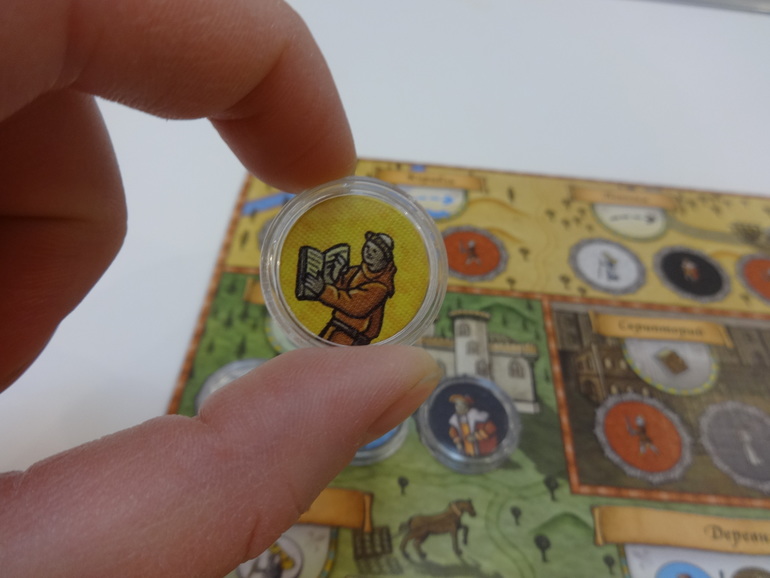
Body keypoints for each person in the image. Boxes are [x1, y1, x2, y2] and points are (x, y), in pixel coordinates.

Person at [0, 1, 440, 576]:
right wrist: (326, 274)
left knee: (343, 386)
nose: (369, 257)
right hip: (333, 330)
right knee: (331, 383)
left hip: (349, 334)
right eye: (371, 252)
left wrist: (324, 293)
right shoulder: (365, 267)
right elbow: (344, 284)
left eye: (375, 254)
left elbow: (357, 305)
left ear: (387, 258)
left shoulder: (382, 284)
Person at [304, 231, 396, 345]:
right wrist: (335, 274)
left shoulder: (381, 287)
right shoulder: (356, 271)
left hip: (351, 338)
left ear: (384, 257)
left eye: (375, 251)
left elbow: (355, 305)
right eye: (367, 247)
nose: (368, 253)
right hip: (335, 328)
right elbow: (340, 289)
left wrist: (323, 290)